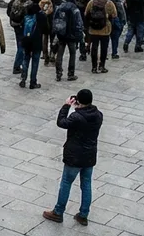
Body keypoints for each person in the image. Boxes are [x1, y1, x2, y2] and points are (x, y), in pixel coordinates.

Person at [43, 89, 103, 226]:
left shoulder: (76, 117)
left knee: (66, 183)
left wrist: (66, 106)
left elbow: (61, 122)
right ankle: (83, 214)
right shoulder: (99, 115)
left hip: (74, 156)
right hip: (89, 156)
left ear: (78, 101)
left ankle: (58, 212)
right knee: (86, 185)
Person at [83, 0, 117, 74]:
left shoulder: (91, 2)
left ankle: (94, 67)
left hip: (93, 29)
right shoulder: (109, 3)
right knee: (104, 48)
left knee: (94, 48)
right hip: (105, 30)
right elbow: (114, 15)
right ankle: (102, 66)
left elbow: (85, 13)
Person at [18, 0, 50, 89]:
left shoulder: (26, 16)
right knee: (35, 62)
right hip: (36, 42)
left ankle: (23, 79)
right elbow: (46, 29)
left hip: (26, 41)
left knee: (25, 59)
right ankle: (33, 82)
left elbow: (21, 28)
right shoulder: (41, 16)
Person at [53, 0, 84, 82]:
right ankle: (71, 74)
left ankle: (58, 73)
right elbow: (79, 22)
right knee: (72, 54)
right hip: (72, 35)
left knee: (60, 54)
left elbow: (55, 20)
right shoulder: (74, 8)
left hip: (61, 34)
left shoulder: (60, 7)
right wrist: (80, 32)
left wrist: (56, 31)